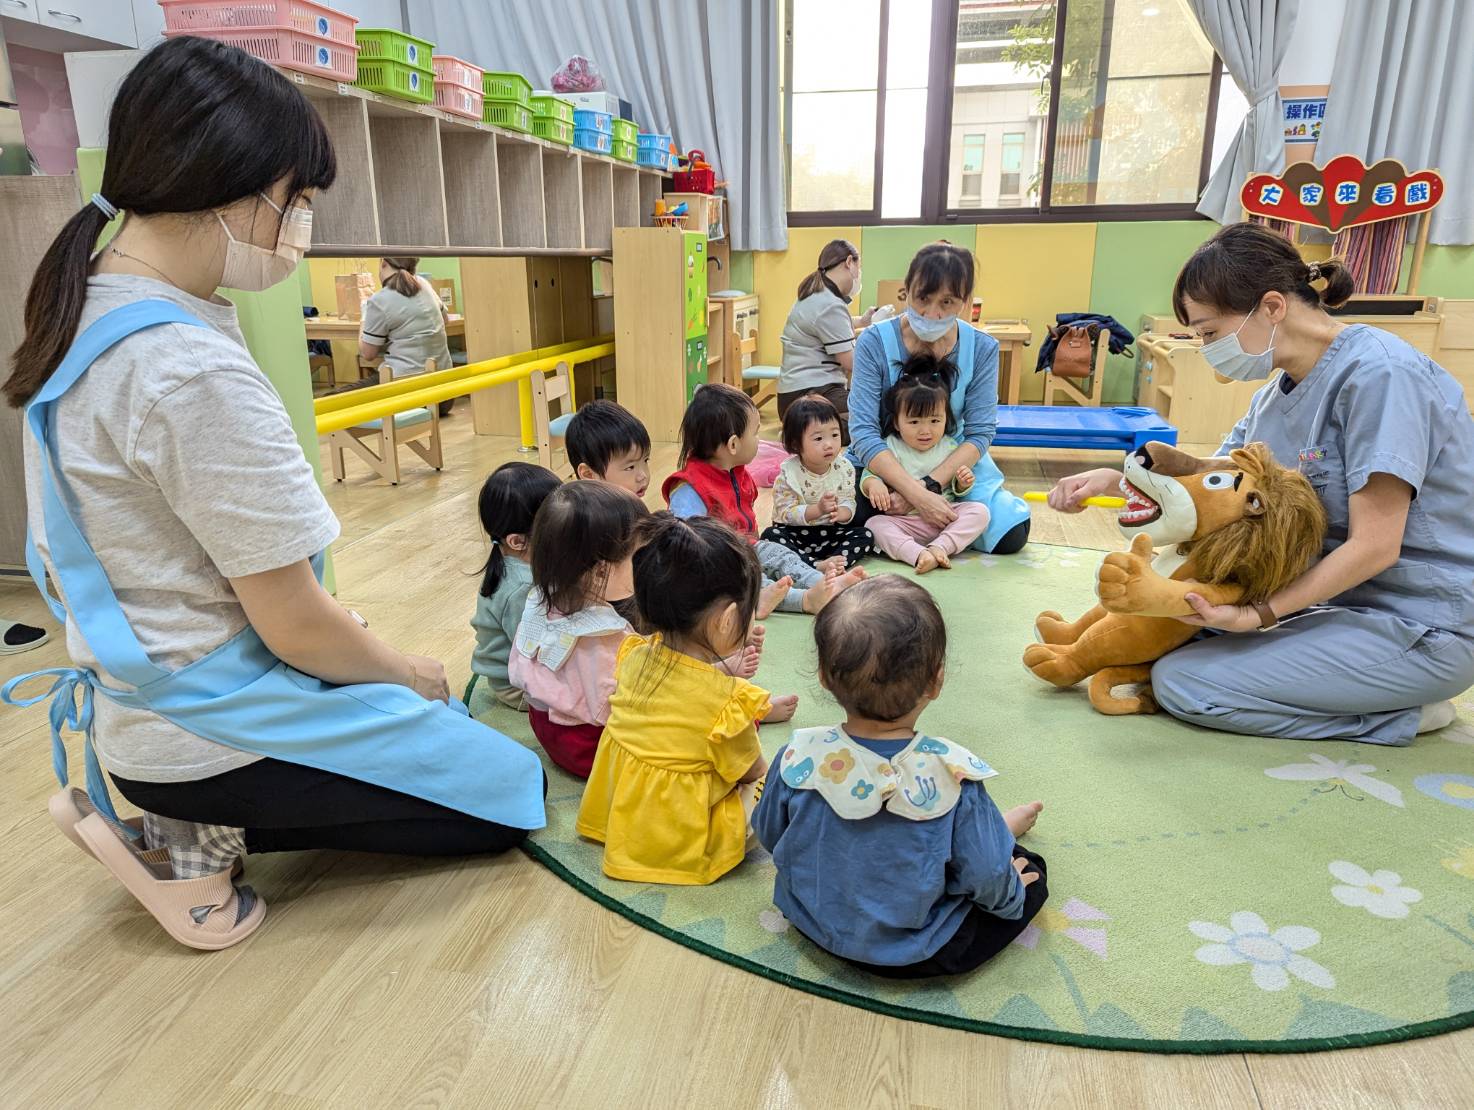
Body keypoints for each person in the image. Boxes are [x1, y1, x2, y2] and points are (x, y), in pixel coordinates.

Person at [0, 38, 545, 951]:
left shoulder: (88, 305)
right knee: (504, 793)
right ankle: (193, 842)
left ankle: (184, 813)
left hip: (145, 698)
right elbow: (295, 625)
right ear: (228, 183)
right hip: (203, 733)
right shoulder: (185, 367)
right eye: (297, 199)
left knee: (399, 699)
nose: (300, 224)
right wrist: (405, 672)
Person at [1048, 222, 1474, 747]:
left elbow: (1375, 546)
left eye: (1209, 333)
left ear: (1272, 307)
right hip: (1326, 606)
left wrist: (1258, 615)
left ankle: (1404, 716)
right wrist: (1119, 479)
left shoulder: (1383, 376)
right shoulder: (1273, 397)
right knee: (1161, 628)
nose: (1207, 348)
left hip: (1417, 624)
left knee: (1183, 683)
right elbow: (1210, 485)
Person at [753, 576, 1047, 977]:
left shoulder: (798, 755)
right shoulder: (954, 776)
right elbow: (987, 876)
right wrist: (1012, 899)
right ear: (936, 680)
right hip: (915, 952)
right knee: (1030, 872)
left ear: (823, 675)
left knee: (977, 851)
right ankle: (1001, 833)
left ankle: (997, 833)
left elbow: (770, 833)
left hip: (809, 919)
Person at [577, 514, 792, 885]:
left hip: (624, 814)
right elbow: (751, 771)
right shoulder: (727, 701)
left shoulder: (632, 655)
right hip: (682, 838)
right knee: (775, 781)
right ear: (727, 620)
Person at [848, 243, 1030, 555]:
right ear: (906, 291)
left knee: (1012, 534)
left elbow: (979, 433)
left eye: (947, 302)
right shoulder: (873, 342)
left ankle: (926, 537)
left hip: (948, 460)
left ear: (965, 301)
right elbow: (863, 431)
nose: (933, 313)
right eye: (923, 298)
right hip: (886, 462)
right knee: (848, 516)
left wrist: (930, 487)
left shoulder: (982, 348)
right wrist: (914, 494)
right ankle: (930, 533)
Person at [663, 383, 865, 617]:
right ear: (734, 444)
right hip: (715, 563)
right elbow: (683, 544)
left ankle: (822, 582)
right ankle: (804, 600)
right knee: (752, 578)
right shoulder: (690, 488)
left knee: (781, 554)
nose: (759, 440)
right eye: (755, 433)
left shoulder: (736, 472)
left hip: (745, 546)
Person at [509, 482, 645, 778]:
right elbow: (628, 707)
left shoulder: (538, 601)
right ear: (601, 571)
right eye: (637, 558)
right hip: (592, 749)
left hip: (547, 731)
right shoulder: (608, 634)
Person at [860, 354, 989, 572]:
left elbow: (955, 490)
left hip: (944, 518)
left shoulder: (950, 447)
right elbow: (870, 473)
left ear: (946, 418)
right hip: (905, 522)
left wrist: (962, 483)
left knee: (980, 512)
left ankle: (941, 546)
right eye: (914, 422)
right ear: (897, 423)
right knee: (874, 525)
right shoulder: (890, 446)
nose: (925, 430)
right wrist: (874, 484)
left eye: (935, 420)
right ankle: (918, 554)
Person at [469, 462, 562, 710]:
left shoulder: (520, 563)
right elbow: (535, 652)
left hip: (523, 667)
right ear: (518, 541)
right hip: (517, 686)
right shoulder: (523, 588)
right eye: (557, 526)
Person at [776, 238, 875, 442]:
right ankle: (801, 433)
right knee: (875, 414)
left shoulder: (817, 293)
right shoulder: (829, 304)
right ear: (849, 262)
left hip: (795, 394)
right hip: (809, 394)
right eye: (859, 267)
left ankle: (802, 431)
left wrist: (863, 321)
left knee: (869, 410)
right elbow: (851, 362)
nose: (859, 274)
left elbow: (831, 327)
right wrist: (879, 349)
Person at [760, 394, 874, 570]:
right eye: (819, 438)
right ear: (796, 444)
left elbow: (848, 499)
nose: (829, 444)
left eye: (834, 435)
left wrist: (842, 513)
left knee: (865, 535)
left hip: (829, 534)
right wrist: (817, 510)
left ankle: (835, 562)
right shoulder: (789, 473)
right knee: (770, 536)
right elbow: (785, 513)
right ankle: (814, 564)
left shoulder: (844, 467)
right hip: (795, 534)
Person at [357, 256, 454, 416]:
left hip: (410, 397)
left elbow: (368, 354)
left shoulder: (379, 300)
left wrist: (364, 316)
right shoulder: (424, 284)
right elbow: (445, 320)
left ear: (383, 263)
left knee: (331, 400)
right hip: (445, 398)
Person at [565, 399, 652, 500]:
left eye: (645, 460)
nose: (643, 476)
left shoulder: (627, 505)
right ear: (589, 475)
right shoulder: (589, 510)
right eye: (630, 467)